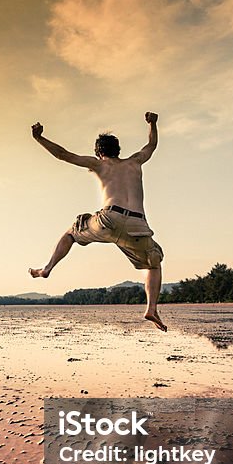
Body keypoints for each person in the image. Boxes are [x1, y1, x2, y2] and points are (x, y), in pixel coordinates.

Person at [29, 112, 167, 331]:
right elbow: (152, 144)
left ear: (99, 152)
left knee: (71, 233)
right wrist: (153, 123)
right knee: (153, 264)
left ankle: (47, 268)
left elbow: (63, 154)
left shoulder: (99, 165)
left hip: (109, 219)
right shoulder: (136, 161)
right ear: (118, 150)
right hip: (138, 226)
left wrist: (39, 138)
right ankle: (151, 308)